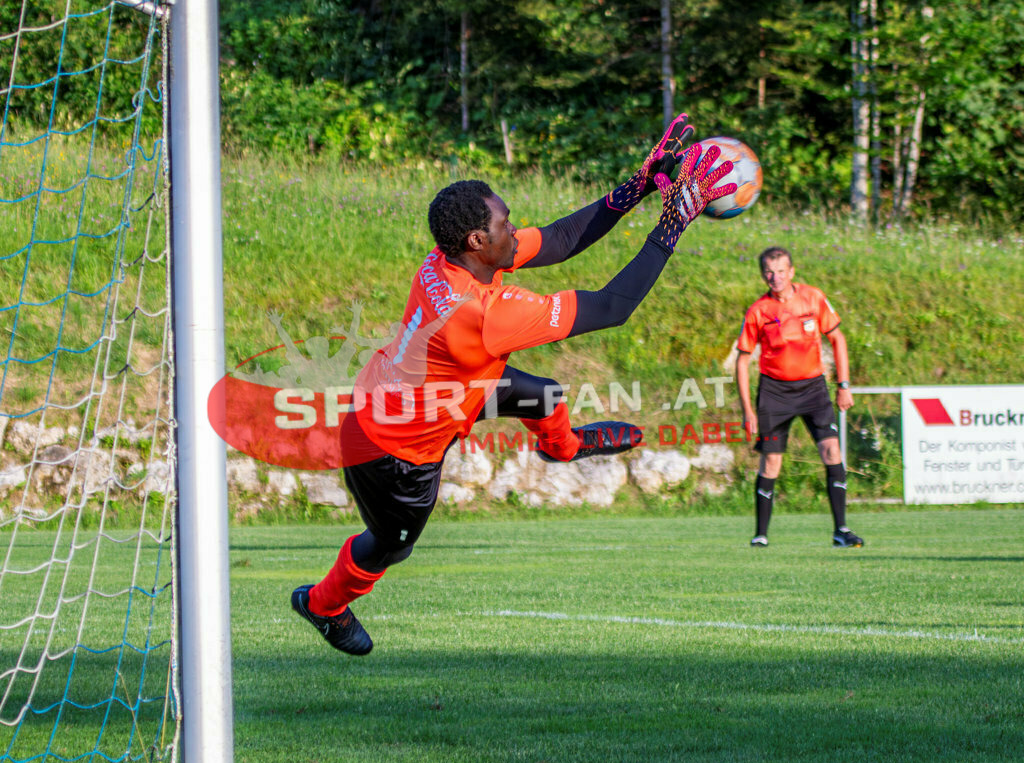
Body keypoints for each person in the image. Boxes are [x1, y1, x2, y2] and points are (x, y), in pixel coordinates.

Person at [291, 113, 736, 655]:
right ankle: (322, 604)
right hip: (392, 449)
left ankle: (564, 447)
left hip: (427, 391)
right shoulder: (482, 313)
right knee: (390, 547)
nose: (514, 227)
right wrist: (672, 225)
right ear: (478, 239)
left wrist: (639, 185)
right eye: (506, 222)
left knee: (543, 395)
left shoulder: (451, 258)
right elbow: (612, 307)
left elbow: (562, 239)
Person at [735, 246, 864, 549]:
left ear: (791, 272)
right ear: (762, 274)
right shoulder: (758, 311)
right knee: (771, 463)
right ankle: (760, 535)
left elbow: (837, 338)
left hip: (813, 390)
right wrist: (747, 410)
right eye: (769, 272)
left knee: (832, 451)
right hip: (774, 392)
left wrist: (844, 385)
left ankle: (841, 531)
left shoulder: (813, 298)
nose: (775, 277)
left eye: (781, 271)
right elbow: (742, 360)